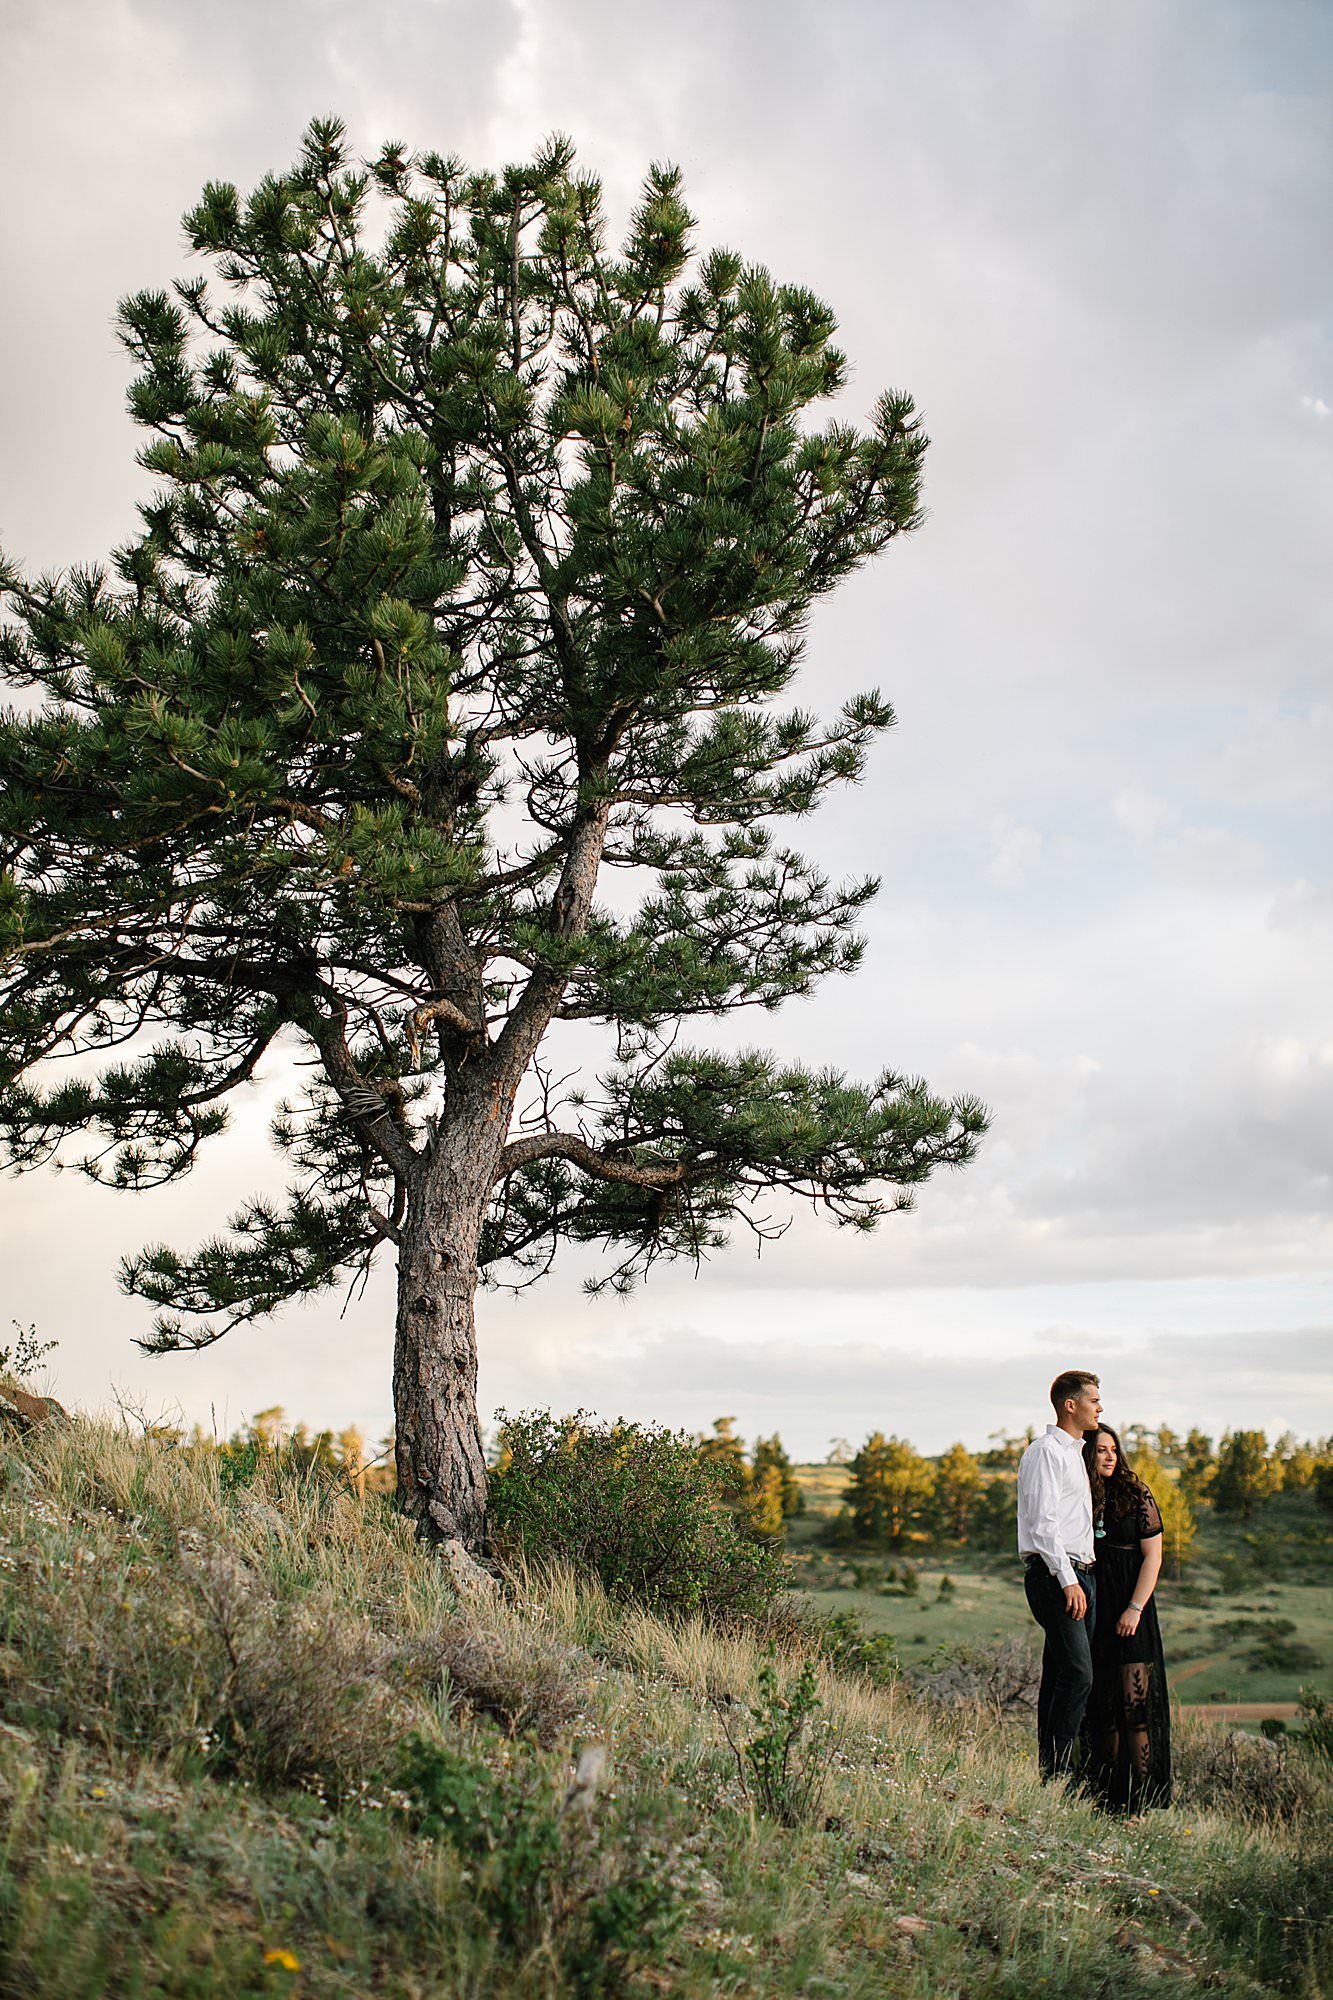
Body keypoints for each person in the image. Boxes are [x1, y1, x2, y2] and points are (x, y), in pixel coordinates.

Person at [1078, 1424, 1172, 1809]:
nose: (1110, 1456)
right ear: (1087, 1455)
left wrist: (1134, 1609)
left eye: (1114, 1449)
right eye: (1101, 1450)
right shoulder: (1079, 1496)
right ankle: (1107, 1802)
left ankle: (1141, 1804)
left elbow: (1154, 1557)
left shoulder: (1136, 1494)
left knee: (1136, 1711)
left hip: (1132, 1609)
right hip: (1096, 1609)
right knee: (1103, 1711)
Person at [1016, 1370, 1102, 1782]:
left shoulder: (1073, 1455)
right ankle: (1060, 1774)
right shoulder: (1045, 1451)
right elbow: (1042, 1523)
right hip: (1056, 1574)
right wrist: (1067, 1579)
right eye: (1094, 1400)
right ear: (1071, 1405)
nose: (1100, 1408)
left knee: (1059, 1674)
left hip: (1079, 1573)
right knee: (1078, 1674)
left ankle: (1052, 1774)